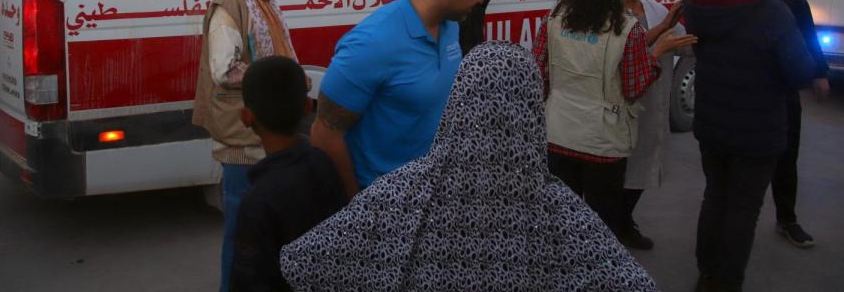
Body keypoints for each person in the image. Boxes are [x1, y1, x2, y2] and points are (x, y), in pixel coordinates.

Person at [281, 42, 659, 292]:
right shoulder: (559, 211)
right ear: (531, 109)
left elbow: (303, 262)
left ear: (457, 102)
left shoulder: (398, 194)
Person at [311, 0, 500, 199]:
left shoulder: (450, 26)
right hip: (382, 205)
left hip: (432, 197)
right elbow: (325, 134)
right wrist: (356, 208)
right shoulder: (371, 43)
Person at [533, 0, 694, 243]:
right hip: (603, 144)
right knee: (600, 230)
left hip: (557, 134)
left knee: (560, 221)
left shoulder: (555, 17)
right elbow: (634, 88)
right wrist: (656, 53)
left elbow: (538, 73)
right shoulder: (626, 27)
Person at [684, 0, 815, 292]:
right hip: (758, 131)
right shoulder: (770, 12)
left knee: (715, 196)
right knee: (743, 207)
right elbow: (800, 71)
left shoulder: (697, 0)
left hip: (711, 123)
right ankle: (727, 281)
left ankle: (706, 270)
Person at [193, 0, 299, 292]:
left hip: (262, 127)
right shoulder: (232, 2)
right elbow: (224, 69)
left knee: (263, 231)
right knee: (241, 233)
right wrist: (278, 77)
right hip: (242, 137)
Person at [230, 56, 346, 292]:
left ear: (246, 117)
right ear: (307, 106)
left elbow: (249, 280)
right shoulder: (324, 164)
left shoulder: (257, 201)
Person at [754, 0, 828, 249]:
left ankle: (787, 219)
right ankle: (738, 221)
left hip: (784, 89)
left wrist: (820, 72)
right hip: (749, 90)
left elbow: (808, 31)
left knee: (787, 155)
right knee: (749, 162)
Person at [619, 0, 687, 250]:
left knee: (644, 167)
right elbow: (621, 63)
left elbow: (685, 43)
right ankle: (617, 226)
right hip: (624, 109)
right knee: (619, 174)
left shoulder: (656, 10)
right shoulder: (612, 18)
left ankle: (623, 220)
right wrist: (658, 47)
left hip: (653, 107)